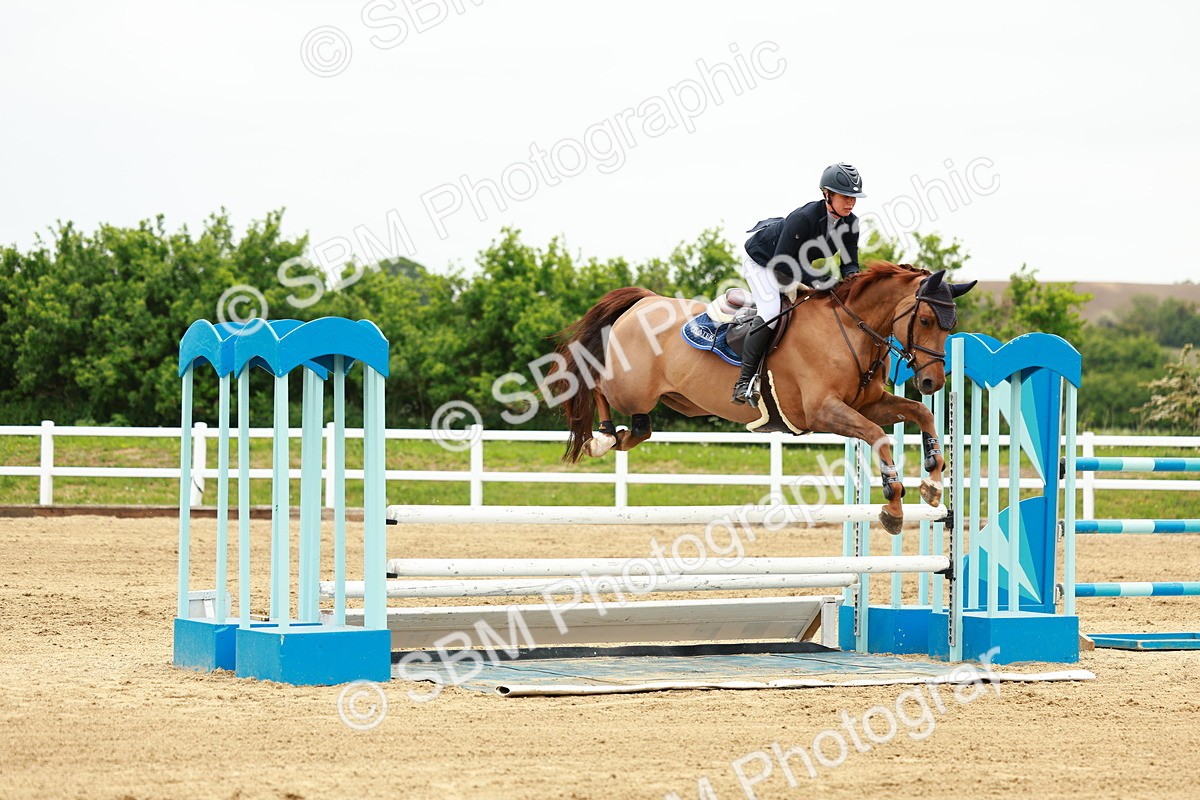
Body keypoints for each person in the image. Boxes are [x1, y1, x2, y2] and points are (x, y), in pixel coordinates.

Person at [731, 162, 866, 406]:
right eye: (845, 197)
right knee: (771, 310)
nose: (850, 203)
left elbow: (849, 264)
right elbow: (782, 264)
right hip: (763, 261)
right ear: (827, 194)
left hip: (791, 263)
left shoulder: (851, 224)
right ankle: (744, 381)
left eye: (854, 198)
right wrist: (820, 280)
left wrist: (856, 286)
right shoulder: (804, 217)